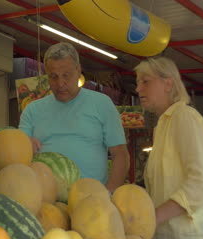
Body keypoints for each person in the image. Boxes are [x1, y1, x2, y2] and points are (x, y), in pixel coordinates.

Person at [134, 57, 203, 239]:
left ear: (168, 83)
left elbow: (200, 183)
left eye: (145, 81)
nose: (137, 88)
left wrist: (152, 218)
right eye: (138, 82)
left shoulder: (185, 118)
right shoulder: (162, 126)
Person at [19, 42, 129, 192]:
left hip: (92, 199)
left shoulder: (102, 104)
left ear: (78, 71)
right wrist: (25, 145)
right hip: (46, 201)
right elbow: (17, 154)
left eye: (66, 75)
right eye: (53, 77)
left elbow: (120, 155)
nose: (60, 83)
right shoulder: (32, 110)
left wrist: (108, 194)